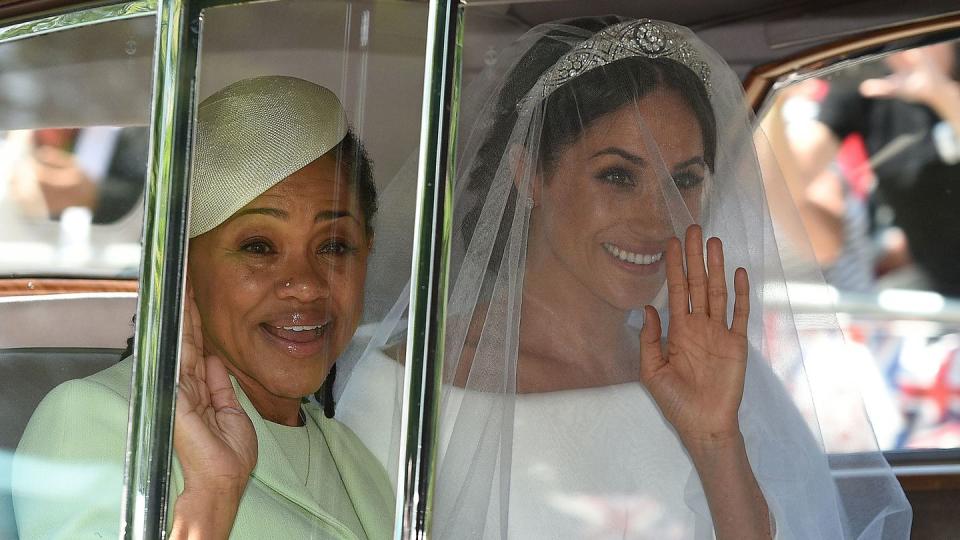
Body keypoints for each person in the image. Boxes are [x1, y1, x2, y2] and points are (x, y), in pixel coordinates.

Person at [337, 17, 912, 538]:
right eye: (617, 176)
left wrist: (716, 444)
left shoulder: (715, 376)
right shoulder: (404, 396)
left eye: (684, 180)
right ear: (528, 173)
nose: (659, 217)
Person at [12, 76, 393, 539]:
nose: (307, 287)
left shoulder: (357, 459)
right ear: (181, 268)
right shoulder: (104, 420)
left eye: (334, 246)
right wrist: (211, 498)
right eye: (259, 247)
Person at [784, 42, 960, 295]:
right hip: (941, 294)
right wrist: (774, 106)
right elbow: (795, 172)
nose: (911, 49)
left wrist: (942, 95)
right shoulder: (868, 83)